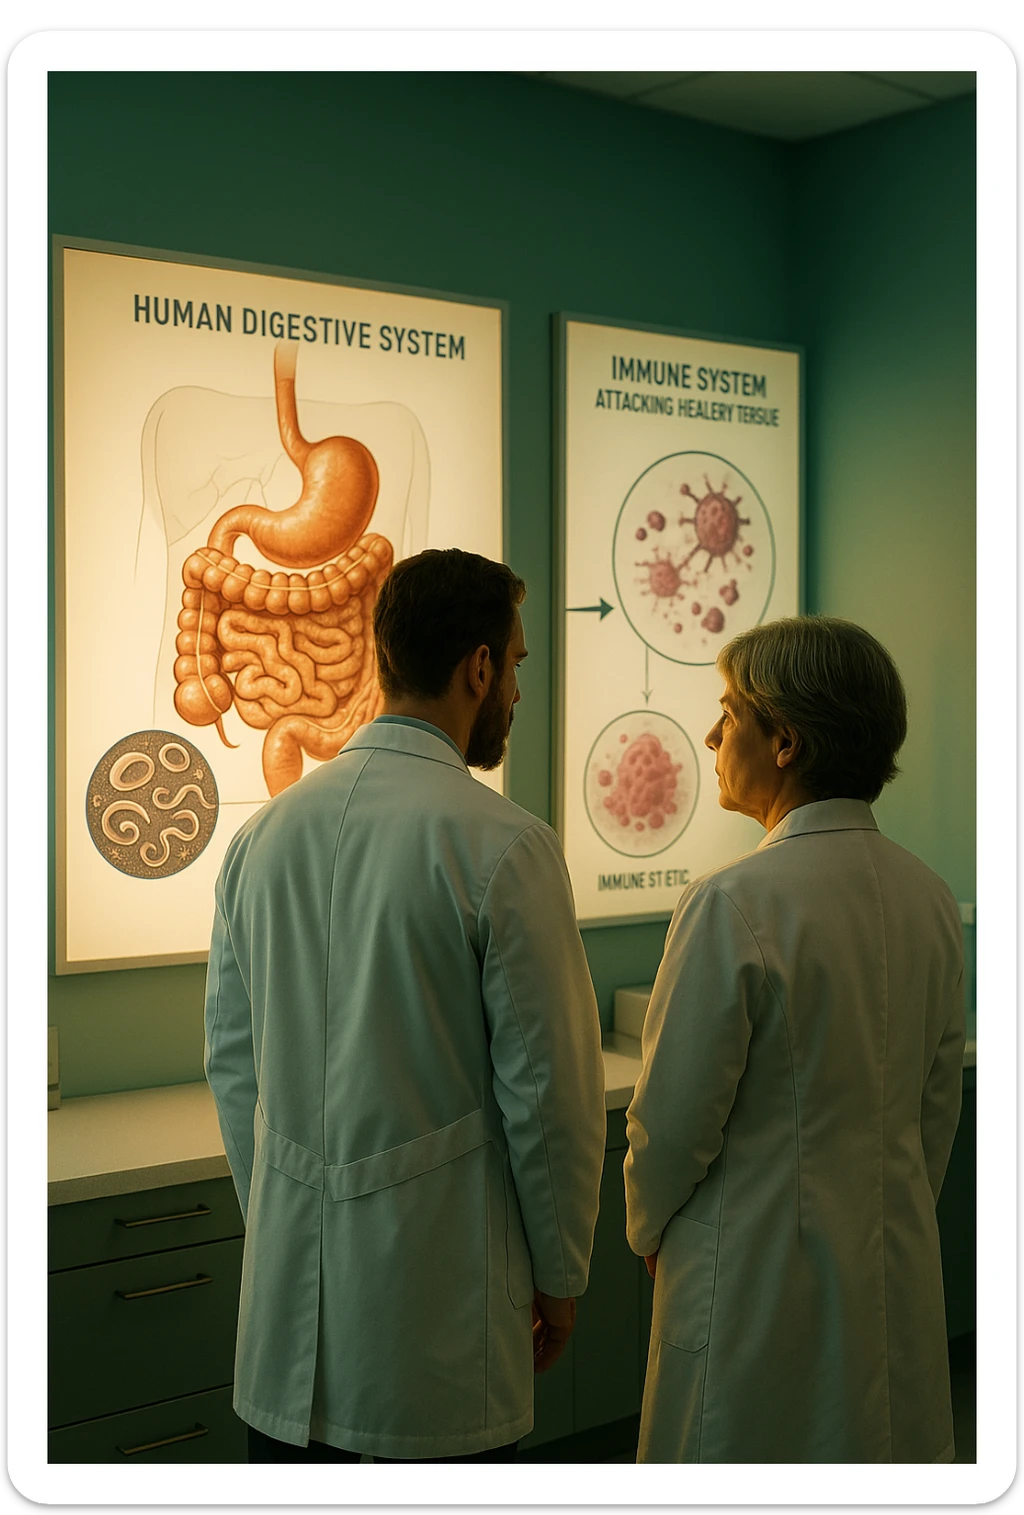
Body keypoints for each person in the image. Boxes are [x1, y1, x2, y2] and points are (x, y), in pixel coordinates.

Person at [204, 548, 606, 1463]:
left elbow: (235, 1070)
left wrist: (284, 1219)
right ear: (478, 667)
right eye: (517, 664)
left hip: (284, 1338)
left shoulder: (262, 840)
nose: (514, 688)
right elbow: (549, 1099)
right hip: (434, 1338)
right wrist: (558, 1276)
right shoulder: (505, 847)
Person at [623, 615, 965, 1464]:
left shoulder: (734, 902)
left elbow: (670, 1127)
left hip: (753, 1278)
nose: (712, 733)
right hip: (888, 1269)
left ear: (785, 741)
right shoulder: (928, 897)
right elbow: (933, 1114)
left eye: (730, 712)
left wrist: (646, 1233)